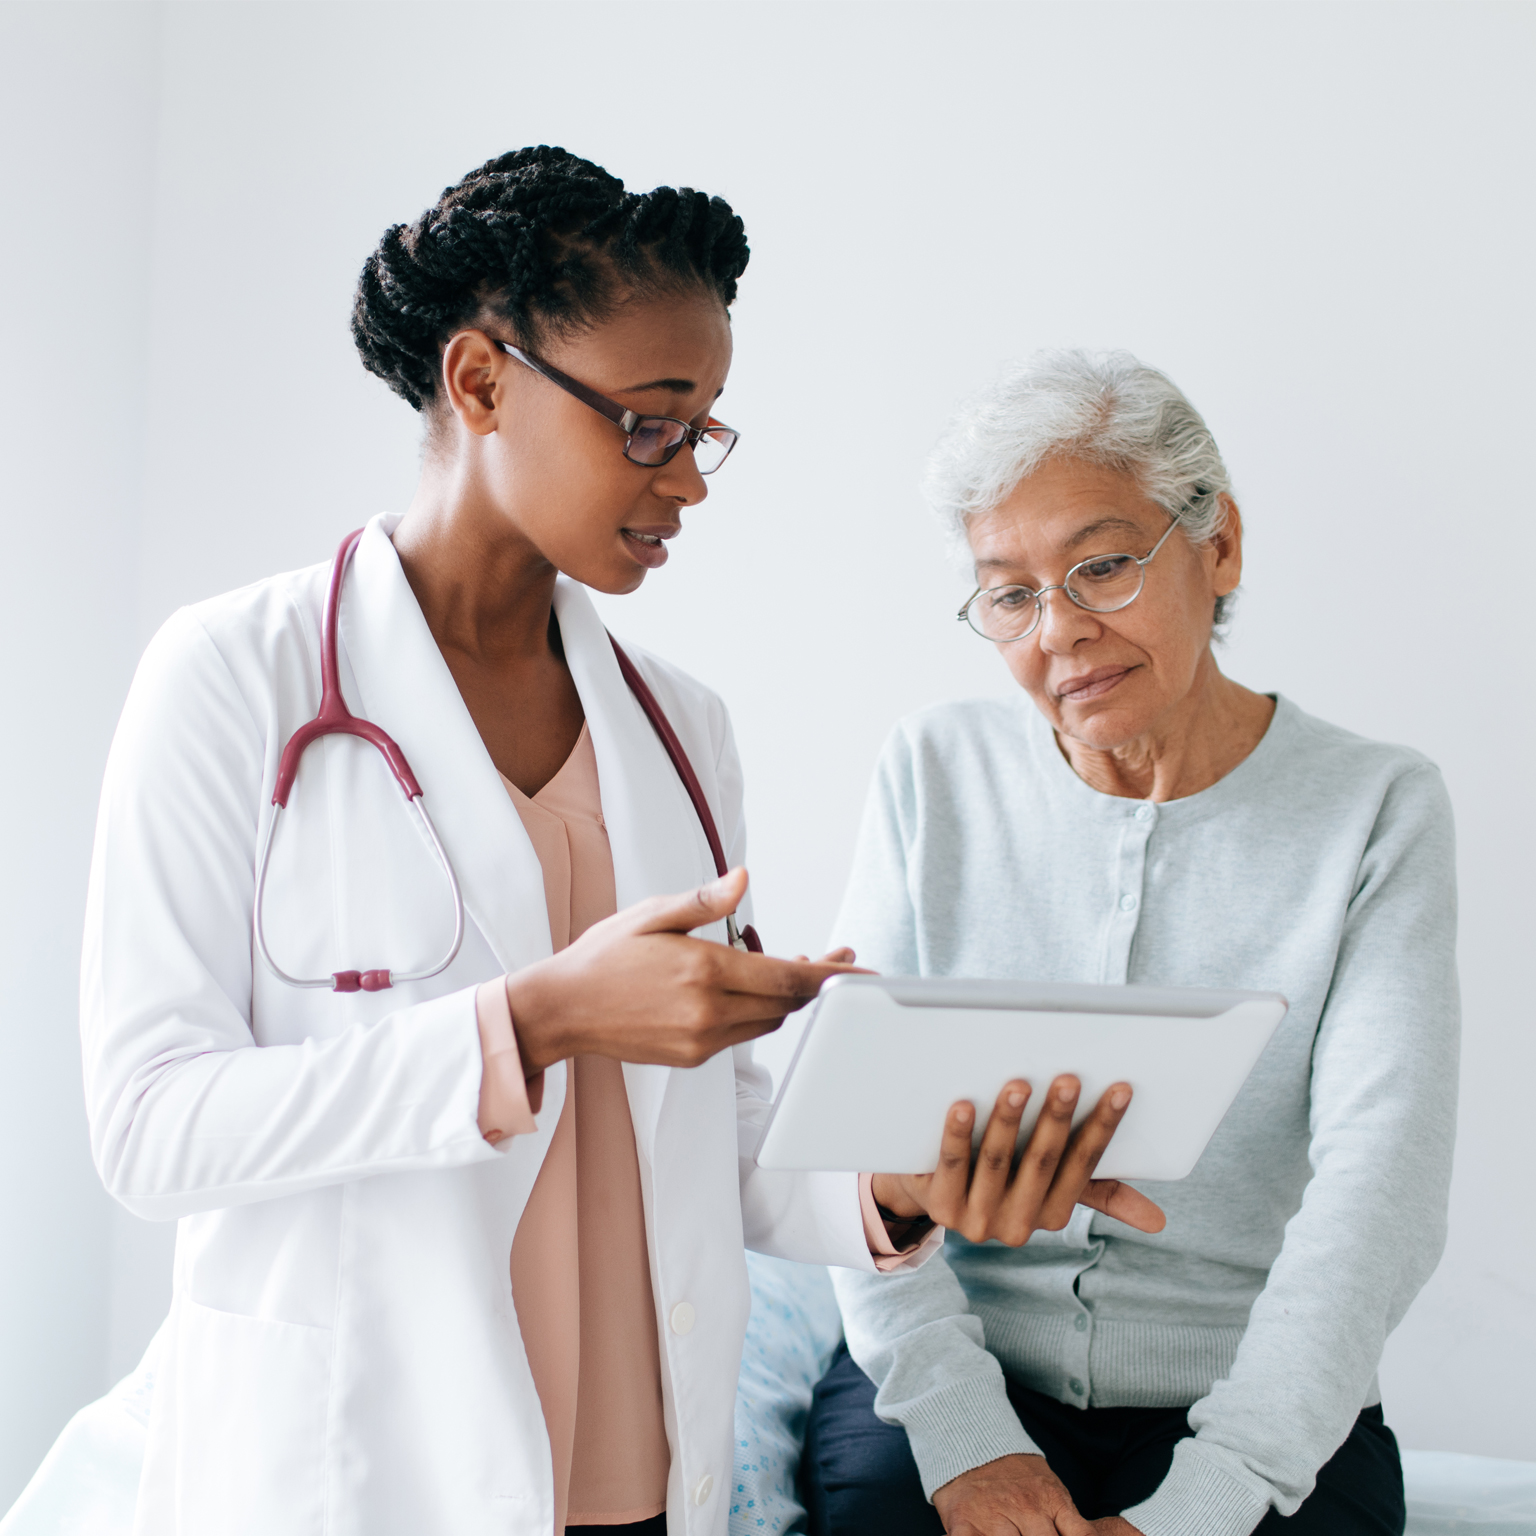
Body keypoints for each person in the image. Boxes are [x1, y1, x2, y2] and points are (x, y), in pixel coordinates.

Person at [76, 152, 1156, 1536]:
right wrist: (532, 1023)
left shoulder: (682, 731)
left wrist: (900, 1178)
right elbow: (153, 1129)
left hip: (635, 1484)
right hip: (357, 1471)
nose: (689, 482)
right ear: (480, 383)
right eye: (650, 425)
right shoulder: (234, 677)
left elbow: (723, 1138)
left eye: (704, 431)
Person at [805, 351, 1459, 1536]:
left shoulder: (1377, 808)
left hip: (1256, 1400)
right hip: (959, 1371)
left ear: (1221, 548)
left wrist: (1215, 1496)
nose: (1059, 631)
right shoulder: (931, 772)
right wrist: (964, 1445)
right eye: (1009, 594)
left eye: (1102, 566)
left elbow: (1382, 1195)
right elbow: (851, 1152)